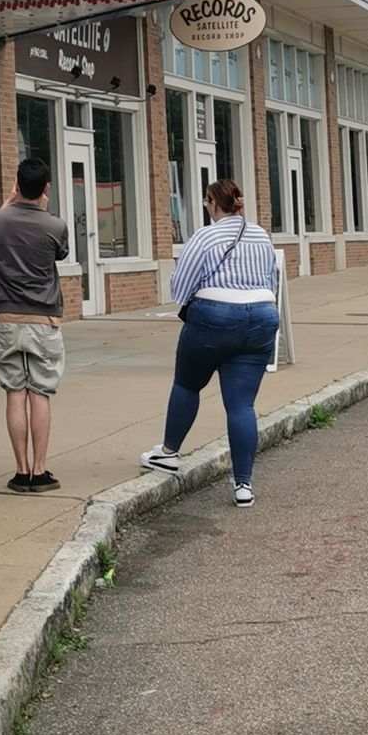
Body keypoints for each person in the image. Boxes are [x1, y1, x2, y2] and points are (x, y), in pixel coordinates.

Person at [140, 178, 279, 508]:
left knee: (188, 384)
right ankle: (243, 485)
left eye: (206, 202)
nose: (206, 207)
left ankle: (169, 453)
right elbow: (272, 279)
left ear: (214, 204)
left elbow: (179, 287)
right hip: (261, 316)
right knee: (241, 404)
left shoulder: (205, 235)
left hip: (213, 317)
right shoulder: (260, 234)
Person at [0, 158, 70, 493]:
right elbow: (60, 255)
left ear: (16, 185)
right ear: (46, 189)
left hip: (4, 318)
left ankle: (20, 472)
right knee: (41, 393)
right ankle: (39, 469)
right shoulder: (55, 226)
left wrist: (9, 202)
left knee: (15, 393)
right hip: (43, 319)